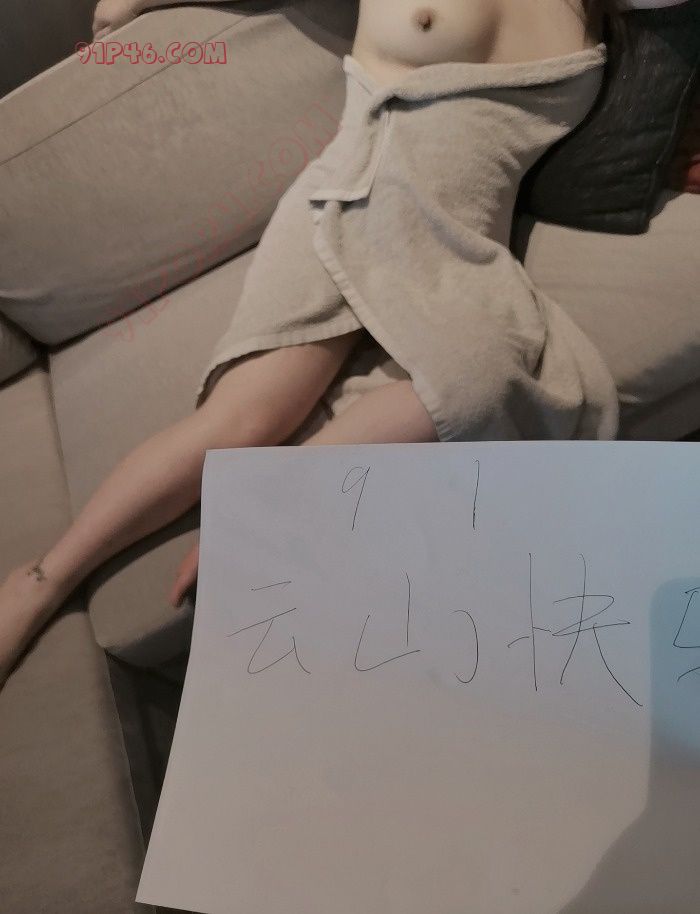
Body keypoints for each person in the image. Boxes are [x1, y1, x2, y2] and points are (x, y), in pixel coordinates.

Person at [0, 0, 688, 687]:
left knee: (477, 386)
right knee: (244, 421)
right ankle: (42, 579)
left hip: (457, 243)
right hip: (348, 200)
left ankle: (271, 501)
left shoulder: (603, 10)